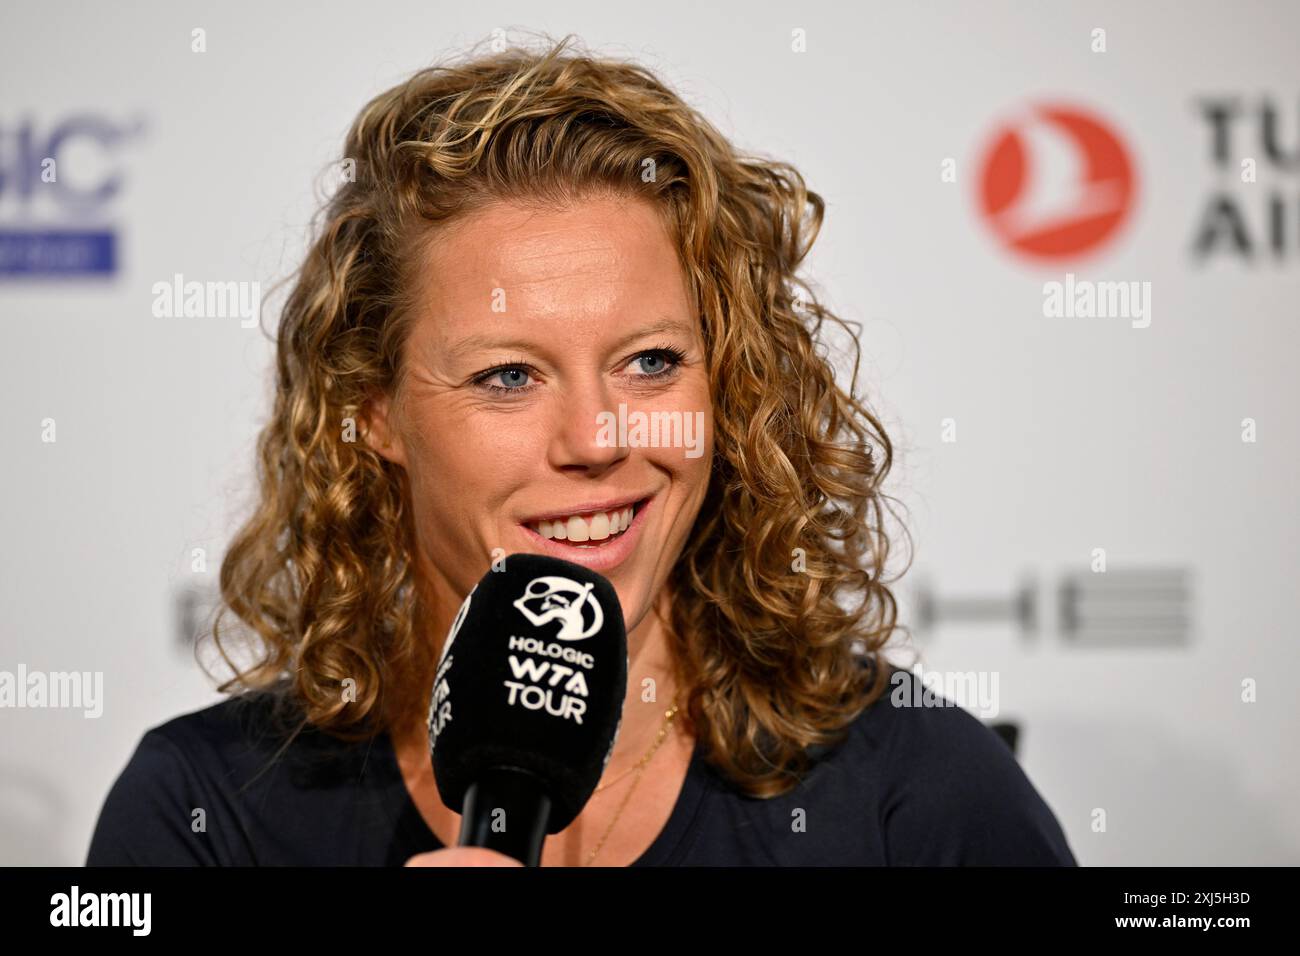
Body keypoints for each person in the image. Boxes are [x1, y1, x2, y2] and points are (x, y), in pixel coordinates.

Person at [86, 34, 1076, 867]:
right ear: (374, 410)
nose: (599, 438)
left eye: (650, 361)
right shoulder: (207, 813)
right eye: (508, 376)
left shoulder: (919, 794)